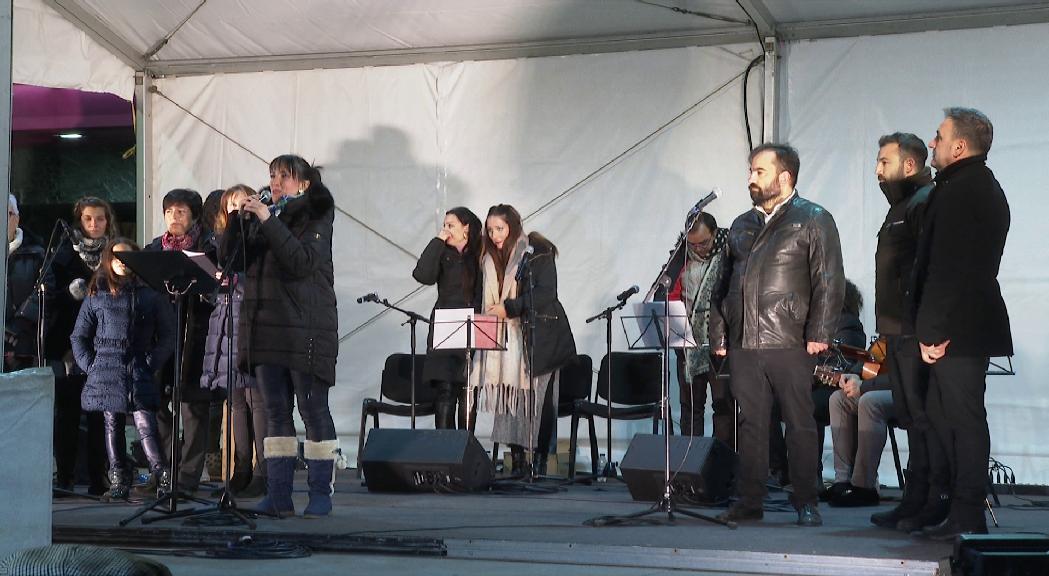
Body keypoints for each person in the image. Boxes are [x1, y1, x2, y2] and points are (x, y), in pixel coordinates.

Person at [709, 143, 844, 527]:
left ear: (784, 177)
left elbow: (829, 280)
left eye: (759, 171)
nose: (751, 178)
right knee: (751, 424)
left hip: (790, 339)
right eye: (751, 171)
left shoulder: (813, 218)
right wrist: (720, 335)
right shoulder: (740, 223)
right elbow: (722, 285)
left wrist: (820, 331)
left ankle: (806, 500)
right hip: (745, 341)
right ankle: (750, 501)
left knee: (799, 421)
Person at [910, 108, 1011, 540]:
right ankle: (952, 504)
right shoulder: (977, 186)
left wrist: (930, 332)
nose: (932, 143)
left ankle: (966, 511)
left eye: (938, 136)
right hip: (963, 323)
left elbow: (948, 268)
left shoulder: (962, 190)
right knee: (943, 415)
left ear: (959, 146)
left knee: (962, 419)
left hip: (956, 328)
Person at [233, 155, 339, 518]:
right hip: (265, 330)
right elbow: (232, 262)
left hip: (306, 329)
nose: (276, 182)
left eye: (285, 176)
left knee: (313, 410)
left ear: (305, 184)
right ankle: (278, 494)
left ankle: (320, 493)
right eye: (272, 175)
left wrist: (267, 220)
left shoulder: (317, 214)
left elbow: (301, 263)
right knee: (276, 414)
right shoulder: (265, 215)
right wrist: (238, 222)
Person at [470, 204, 576, 475]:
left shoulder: (537, 251)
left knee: (539, 403)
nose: (494, 235)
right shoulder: (487, 258)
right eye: (490, 229)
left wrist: (511, 308)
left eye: (500, 229)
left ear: (513, 226)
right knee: (510, 400)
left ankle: (539, 462)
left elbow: (546, 294)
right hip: (504, 340)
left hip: (541, 336)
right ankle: (518, 461)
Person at [70, 239, 176, 500]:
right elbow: (79, 336)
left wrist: (151, 362)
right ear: (108, 260)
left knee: (146, 423)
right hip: (106, 367)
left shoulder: (151, 295)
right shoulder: (97, 294)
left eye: (127, 258)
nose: (121, 262)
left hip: (138, 367)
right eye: (116, 257)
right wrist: (90, 365)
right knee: (112, 424)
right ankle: (118, 479)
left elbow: (168, 335)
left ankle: (162, 476)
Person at [146, 188, 220, 495]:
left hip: (195, 336)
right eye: (169, 212)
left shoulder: (209, 248)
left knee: (192, 408)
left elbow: (217, 289)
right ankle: (162, 471)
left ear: (193, 216)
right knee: (157, 406)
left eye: (181, 212)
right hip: (160, 337)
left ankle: (188, 476)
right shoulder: (152, 250)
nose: (174, 218)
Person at [200, 185, 268, 499]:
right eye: (231, 203)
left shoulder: (260, 235)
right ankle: (240, 468)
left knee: (257, 399)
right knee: (236, 400)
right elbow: (222, 261)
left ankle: (263, 470)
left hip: (251, 318)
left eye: (242, 202)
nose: (236, 207)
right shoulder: (218, 239)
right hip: (224, 317)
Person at [49, 196, 118, 495]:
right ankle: (64, 477)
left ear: (108, 221)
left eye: (99, 219)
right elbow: (52, 297)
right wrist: (69, 292)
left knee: (101, 414)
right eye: (88, 219)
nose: (93, 224)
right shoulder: (64, 252)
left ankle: (97, 478)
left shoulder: (116, 253)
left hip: (105, 343)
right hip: (70, 344)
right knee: (67, 413)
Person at [412, 206, 483, 429]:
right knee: (445, 390)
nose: (446, 230)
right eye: (444, 225)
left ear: (466, 228)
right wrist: (437, 241)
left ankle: (464, 449)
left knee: (467, 390)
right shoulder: (442, 251)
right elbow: (422, 274)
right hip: (444, 325)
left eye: (450, 225)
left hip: (472, 325)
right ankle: (443, 451)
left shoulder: (480, 254)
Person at [667, 211, 732, 443]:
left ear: (714, 234)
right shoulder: (680, 258)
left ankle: (721, 462)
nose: (699, 248)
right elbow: (666, 297)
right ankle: (689, 465)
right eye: (692, 244)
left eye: (704, 242)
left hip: (721, 344)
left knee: (723, 407)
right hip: (688, 344)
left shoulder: (730, 254)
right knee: (690, 407)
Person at [6, 194, 53, 372]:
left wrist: (20, 323)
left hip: (24, 345)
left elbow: (46, 291)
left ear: (16, 219)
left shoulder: (36, 254)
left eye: (7, 214)